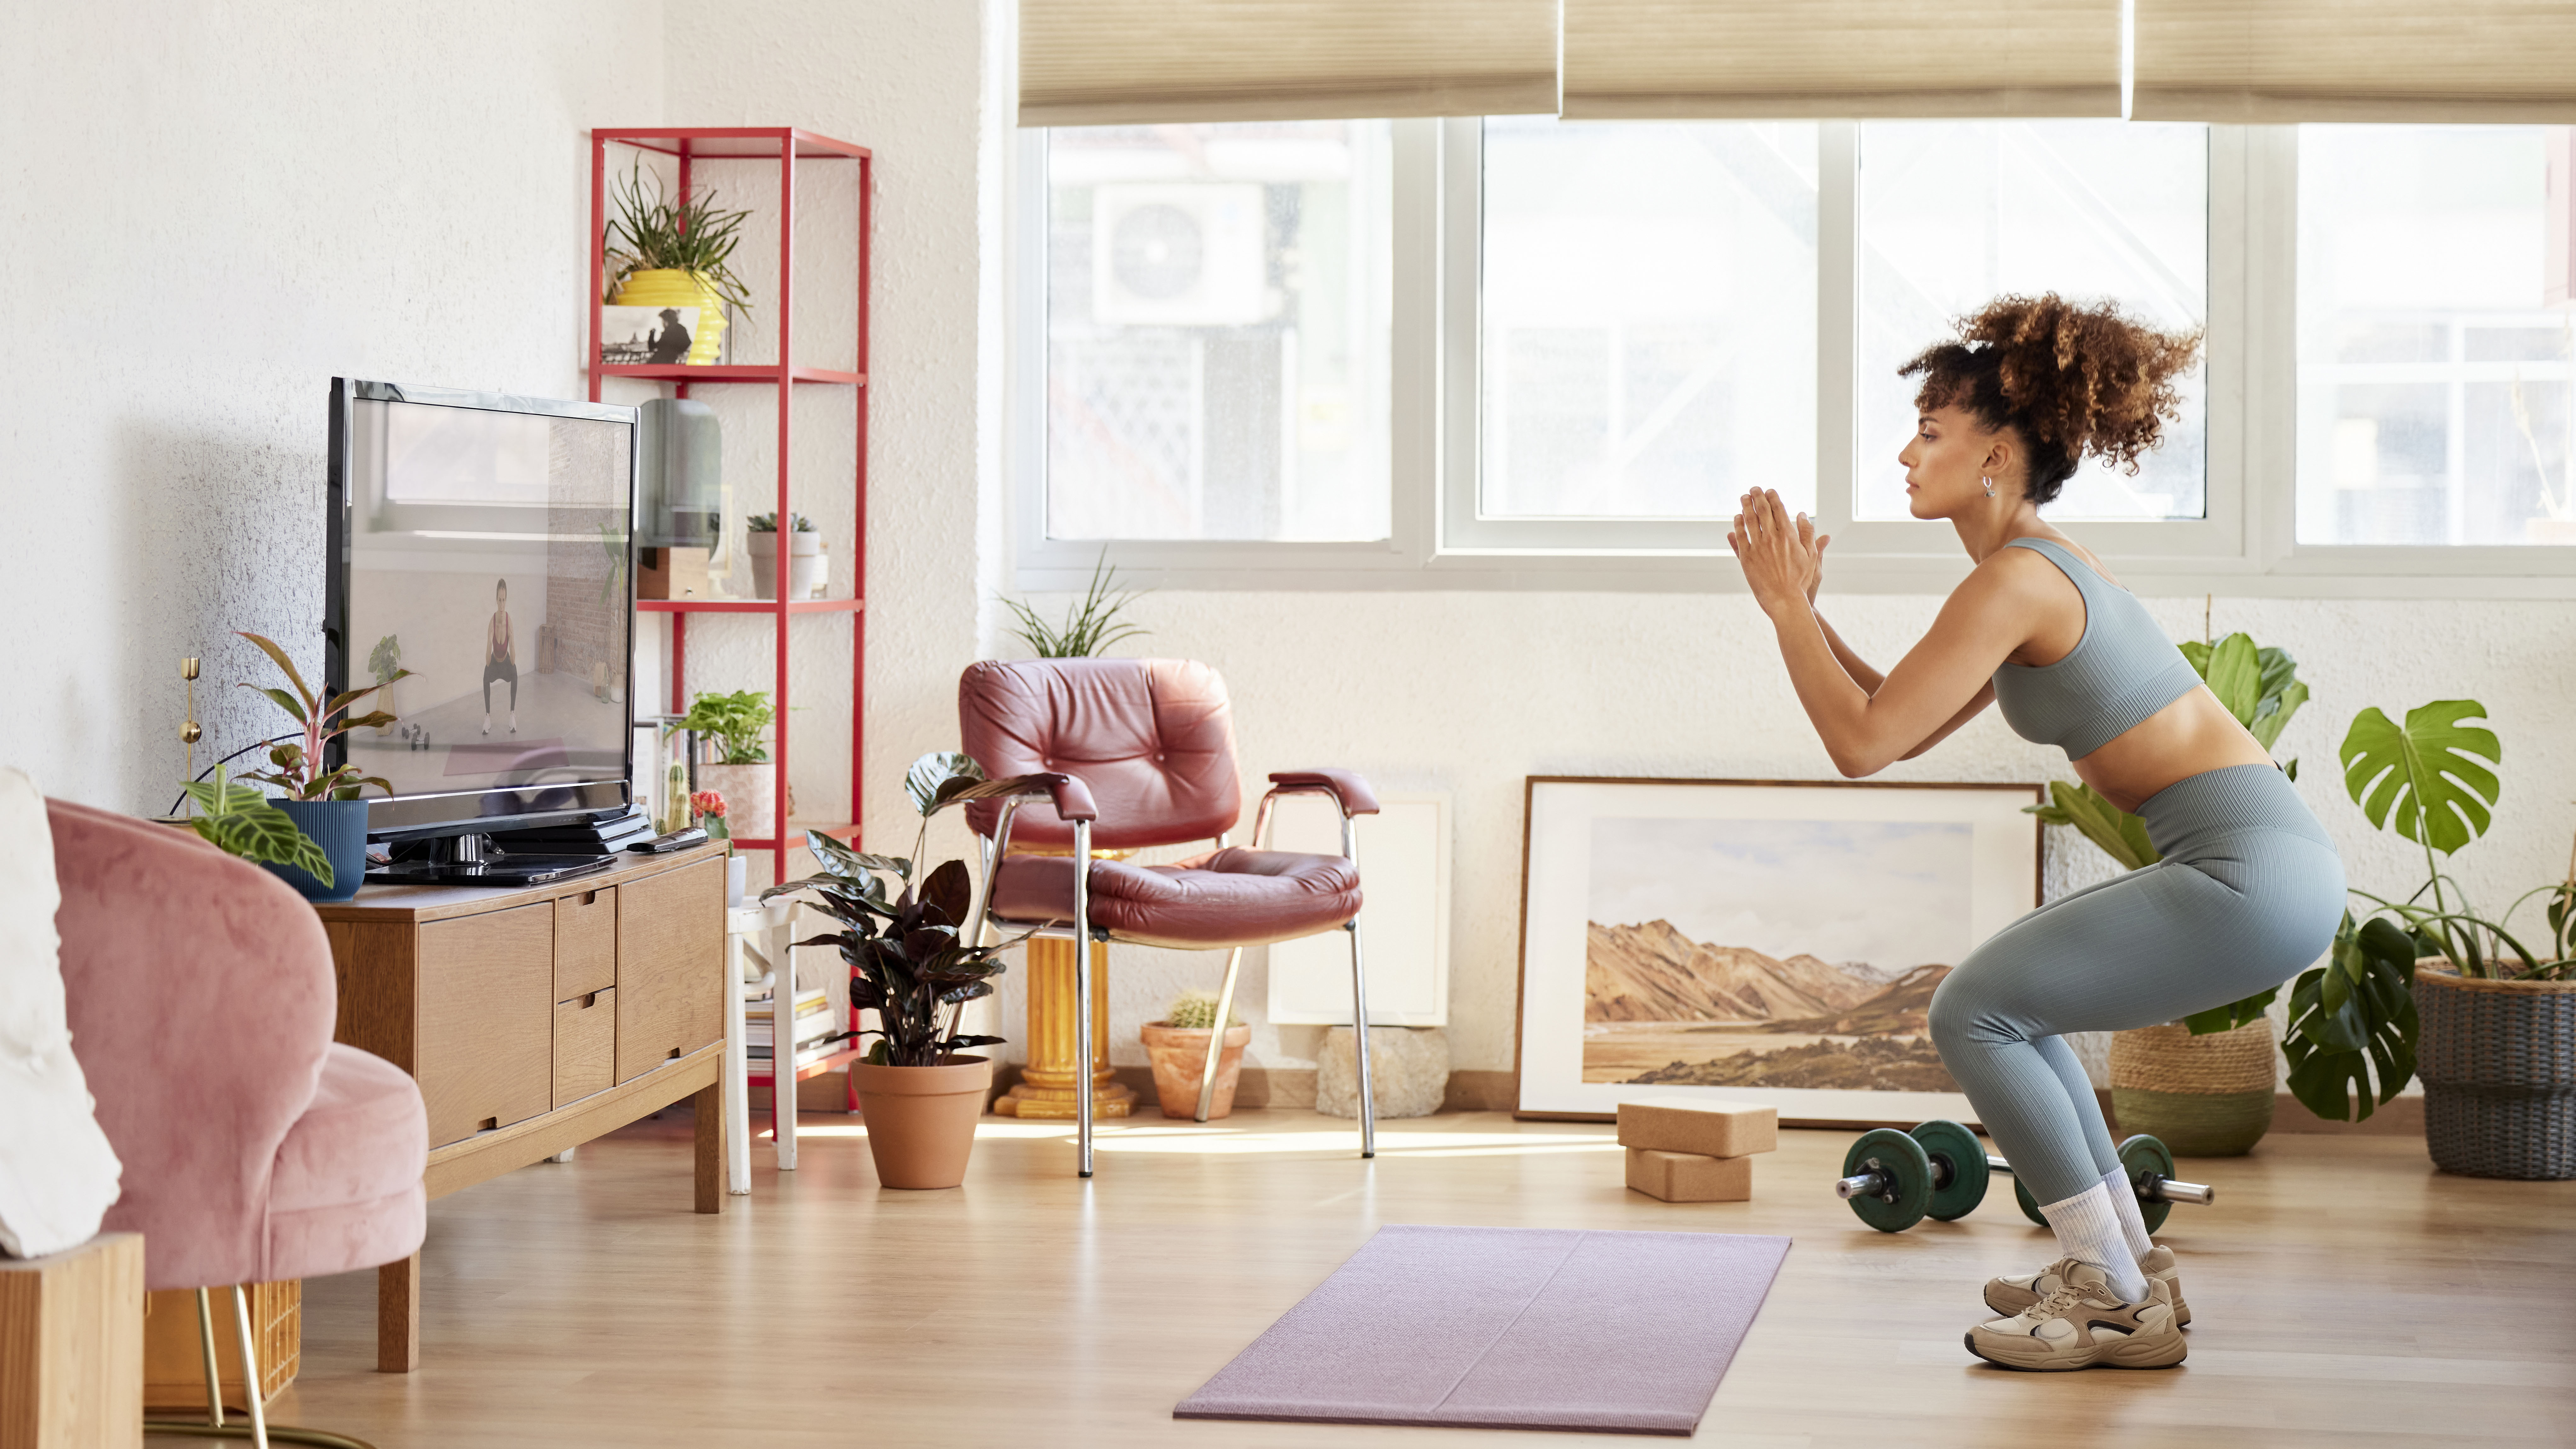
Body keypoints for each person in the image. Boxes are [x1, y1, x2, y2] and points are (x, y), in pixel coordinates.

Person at [1728, 294, 2343, 1373]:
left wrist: (1784, 613)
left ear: (1996, 453)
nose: (1904, 455)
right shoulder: (2027, 570)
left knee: (1974, 1009)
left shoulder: (2016, 579)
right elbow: (1898, 720)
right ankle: (2121, 1269)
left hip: (2245, 869)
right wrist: (1804, 614)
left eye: (1929, 431)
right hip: (2261, 864)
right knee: (2018, 1014)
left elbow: (1860, 745)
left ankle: (2104, 1291)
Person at [482, 578, 518, 736]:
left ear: (506, 600)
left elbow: (514, 660)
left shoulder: (510, 622)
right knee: (485, 676)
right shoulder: (492, 622)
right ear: (496, 600)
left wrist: (513, 642)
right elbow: (488, 662)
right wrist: (490, 642)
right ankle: (488, 716)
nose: (502, 605)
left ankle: (512, 715)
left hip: (505, 664)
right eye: (499, 600)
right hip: (495, 664)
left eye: (504, 600)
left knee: (515, 673)